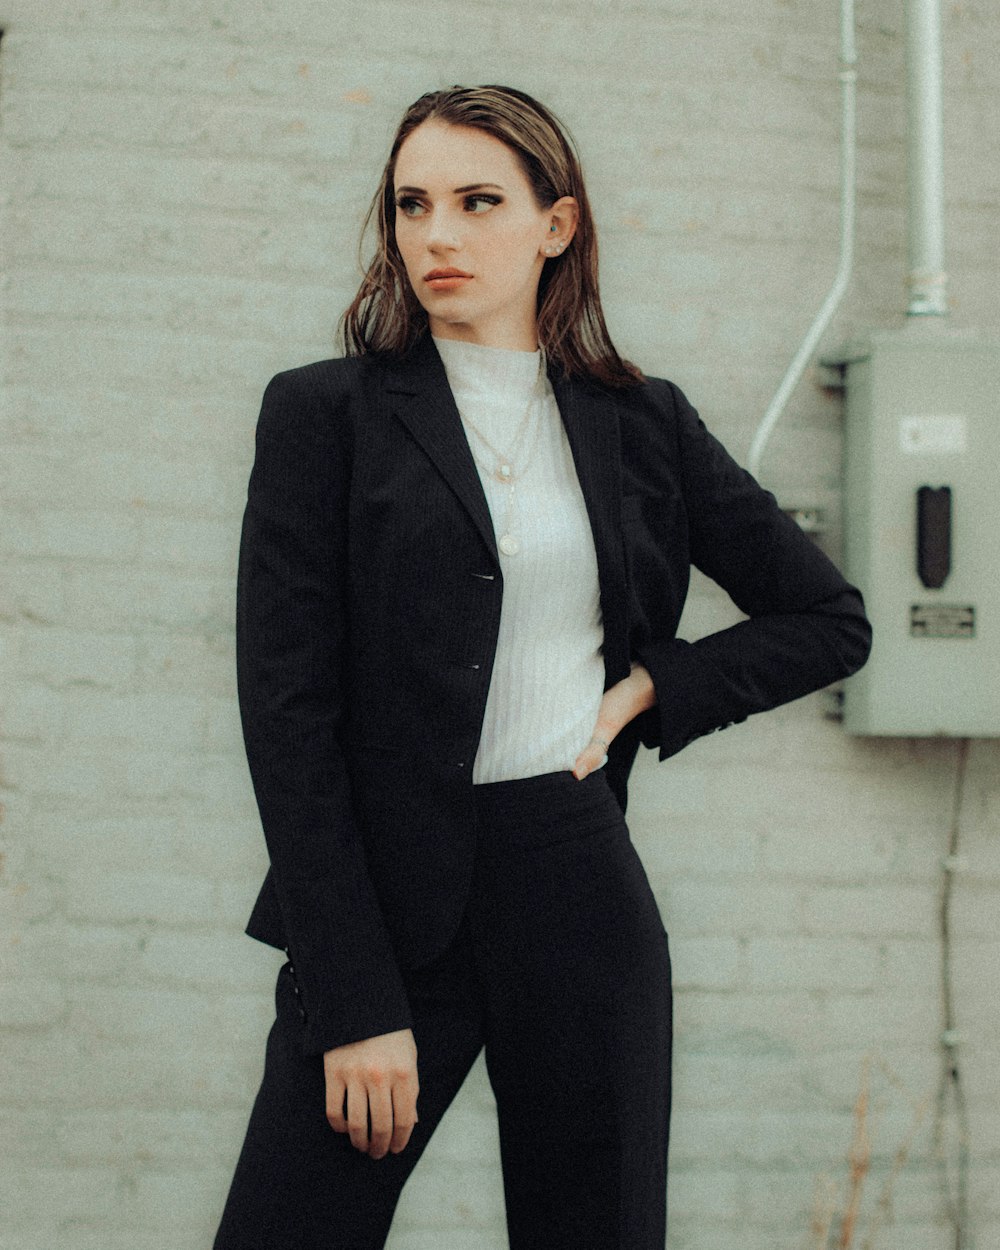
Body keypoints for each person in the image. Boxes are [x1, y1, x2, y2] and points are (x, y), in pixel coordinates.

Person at [212, 84, 871, 1250]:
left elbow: (827, 618)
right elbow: (287, 717)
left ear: (554, 225)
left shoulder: (642, 422)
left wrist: (655, 685)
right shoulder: (326, 415)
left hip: (572, 885)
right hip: (383, 901)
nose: (438, 236)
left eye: (477, 202)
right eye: (412, 204)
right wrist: (357, 1001)